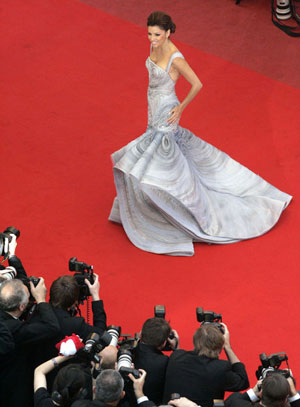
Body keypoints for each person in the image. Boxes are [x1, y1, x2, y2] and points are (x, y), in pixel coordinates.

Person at [109, 11, 292, 256]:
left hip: (166, 112)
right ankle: (159, 202)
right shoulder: (155, 46)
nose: (152, 39)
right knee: (158, 156)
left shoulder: (175, 57)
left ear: (168, 33)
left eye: (157, 35)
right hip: (153, 108)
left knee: (163, 156)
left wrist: (180, 108)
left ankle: (184, 208)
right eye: (150, 34)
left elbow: (197, 83)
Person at [31, 274, 107, 390]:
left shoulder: (35, 314)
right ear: (73, 303)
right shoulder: (75, 325)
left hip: (36, 377)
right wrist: (95, 295)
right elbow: (101, 334)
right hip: (66, 381)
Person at [0, 277, 60, 407]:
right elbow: (52, 327)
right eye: (29, 297)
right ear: (22, 307)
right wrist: (41, 300)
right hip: (11, 391)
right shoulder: (13, 329)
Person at [163, 323, 249, 407]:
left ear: (195, 341)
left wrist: (177, 348)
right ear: (220, 345)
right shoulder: (220, 368)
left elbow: (182, 358)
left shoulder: (176, 356)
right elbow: (243, 381)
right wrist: (227, 347)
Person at [132, 317, 179, 405]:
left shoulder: (128, 354)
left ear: (140, 334)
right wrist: (176, 348)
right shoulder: (164, 362)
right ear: (164, 343)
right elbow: (179, 374)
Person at [224, 373, 300, 407]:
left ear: (261, 393)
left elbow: (217, 403)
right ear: (285, 401)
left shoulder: (234, 401)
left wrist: (252, 393)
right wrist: (294, 395)